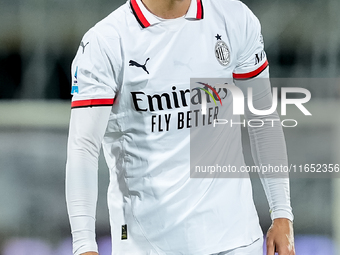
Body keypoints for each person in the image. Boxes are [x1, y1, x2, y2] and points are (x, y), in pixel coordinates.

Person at [65, 0, 295, 254]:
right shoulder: (105, 42)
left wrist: (282, 212)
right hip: (147, 244)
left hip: (236, 238)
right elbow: (83, 147)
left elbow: (262, 118)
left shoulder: (234, 18)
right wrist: (84, 245)